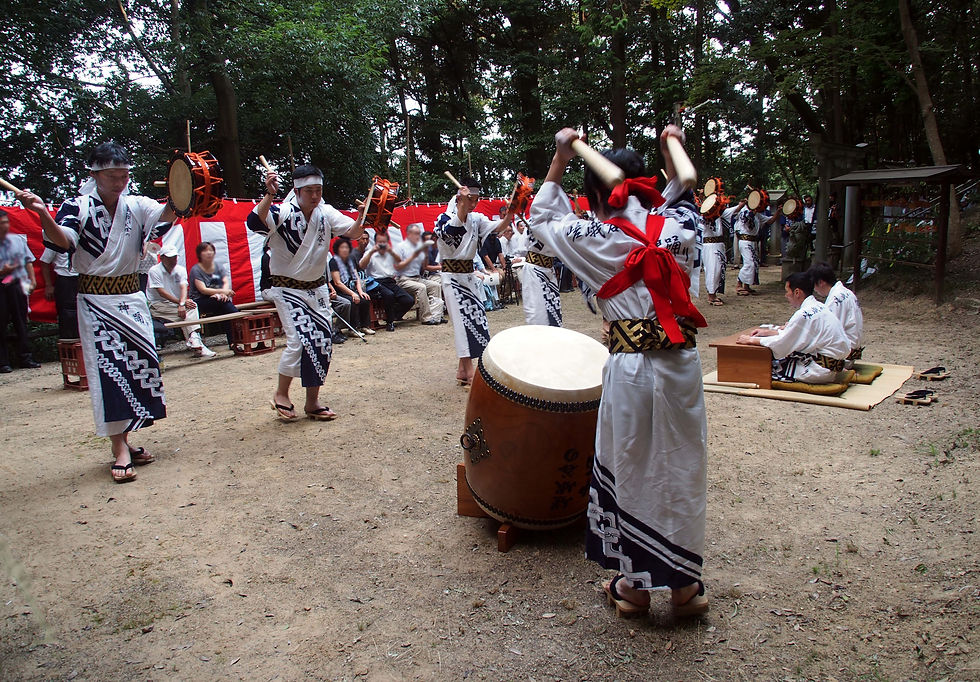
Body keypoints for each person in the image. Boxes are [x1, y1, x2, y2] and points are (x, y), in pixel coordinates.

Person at [529, 126, 709, 619]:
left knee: (629, 464)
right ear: (646, 183)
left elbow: (540, 217)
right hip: (681, 365)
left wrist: (561, 156)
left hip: (630, 367)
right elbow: (680, 189)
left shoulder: (595, 237)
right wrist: (673, 141)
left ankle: (633, 588)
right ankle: (686, 588)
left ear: (592, 194)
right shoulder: (681, 225)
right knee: (681, 465)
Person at [15, 141, 178, 482]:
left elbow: (167, 214)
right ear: (95, 175)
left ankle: (128, 440)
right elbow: (62, 241)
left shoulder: (136, 204)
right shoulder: (77, 206)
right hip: (96, 300)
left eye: (124, 175)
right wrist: (43, 213)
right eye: (112, 176)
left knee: (140, 368)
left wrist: (183, 187)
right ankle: (119, 447)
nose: (120, 182)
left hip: (132, 298)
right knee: (110, 370)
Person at [247, 164, 364, 421]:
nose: (315, 196)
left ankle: (312, 401)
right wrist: (268, 195)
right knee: (299, 340)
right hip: (286, 288)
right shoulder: (284, 210)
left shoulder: (326, 212)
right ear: (297, 190)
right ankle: (281, 393)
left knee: (322, 342)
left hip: (317, 288)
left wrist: (362, 216)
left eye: (319, 190)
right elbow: (255, 222)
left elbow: (354, 232)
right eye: (309, 190)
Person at [434, 177, 516, 385]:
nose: (474, 204)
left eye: (476, 199)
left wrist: (513, 210)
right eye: (471, 199)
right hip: (451, 277)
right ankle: (470, 371)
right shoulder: (443, 218)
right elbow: (452, 232)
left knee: (477, 319)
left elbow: (498, 227)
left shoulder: (477, 219)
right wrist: (462, 205)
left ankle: (463, 370)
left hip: (469, 276)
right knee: (462, 323)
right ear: (460, 198)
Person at [736, 271, 850, 383]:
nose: (786, 296)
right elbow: (796, 335)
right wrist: (769, 333)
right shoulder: (820, 307)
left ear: (797, 292)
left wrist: (752, 340)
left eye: (787, 291)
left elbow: (783, 344)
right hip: (832, 364)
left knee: (763, 366)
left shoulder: (804, 313)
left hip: (819, 369)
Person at [146, 246, 216, 358]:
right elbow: (161, 292)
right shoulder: (154, 271)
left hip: (175, 303)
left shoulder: (180, 269)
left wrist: (182, 303)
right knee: (186, 315)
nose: (173, 260)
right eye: (170, 258)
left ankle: (195, 342)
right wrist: (181, 303)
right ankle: (197, 343)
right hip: (158, 304)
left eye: (174, 257)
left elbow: (184, 287)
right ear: (162, 258)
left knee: (191, 307)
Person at [0, 209, 41, 372]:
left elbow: (28, 261)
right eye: (2, 223)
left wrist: (33, 280)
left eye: (6, 222)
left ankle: (26, 357)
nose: (5, 226)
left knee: (21, 321)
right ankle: (3, 362)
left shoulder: (17, 240)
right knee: (1, 323)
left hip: (16, 284)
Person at [359, 231, 414, 331]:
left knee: (409, 300)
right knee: (389, 295)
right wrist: (371, 252)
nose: (382, 245)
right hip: (375, 282)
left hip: (390, 281)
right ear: (375, 242)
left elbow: (400, 262)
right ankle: (390, 322)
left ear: (388, 242)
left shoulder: (391, 252)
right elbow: (362, 266)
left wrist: (391, 252)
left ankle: (393, 316)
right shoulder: (370, 252)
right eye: (379, 242)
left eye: (384, 242)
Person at [188, 241, 239, 349]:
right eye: (205, 251)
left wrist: (222, 293)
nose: (209, 253)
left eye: (211, 250)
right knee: (225, 305)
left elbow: (224, 283)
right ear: (199, 254)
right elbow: (203, 290)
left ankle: (234, 341)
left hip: (216, 299)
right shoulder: (196, 269)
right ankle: (234, 339)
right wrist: (223, 293)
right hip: (199, 300)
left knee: (226, 306)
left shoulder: (217, 267)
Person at [809, 262, 864, 362]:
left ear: (821, 282)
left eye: (814, 285)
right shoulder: (847, 292)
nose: (814, 289)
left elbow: (828, 332)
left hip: (842, 357)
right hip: (850, 349)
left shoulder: (835, 299)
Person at [395, 223, 444, 325]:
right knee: (421, 288)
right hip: (403, 279)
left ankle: (436, 315)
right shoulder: (400, 247)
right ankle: (426, 318)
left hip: (417, 278)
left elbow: (424, 266)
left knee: (436, 286)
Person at [329, 237, 375, 336]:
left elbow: (356, 277)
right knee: (352, 301)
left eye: (346, 247)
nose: (345, 250)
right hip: (340, 291)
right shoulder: (334, 262)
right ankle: (352, 328)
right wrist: (353, 294)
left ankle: (364, 326)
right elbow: (337, 282)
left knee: (364, 298)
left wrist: (360, 292)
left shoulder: (350, 260)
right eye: (342, 248)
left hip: (351, 288)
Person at [519, 230, 562, 327]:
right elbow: (522, 250)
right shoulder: (533, 224)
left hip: (549, 270)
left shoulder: (555, 222)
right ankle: (539, 339)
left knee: (553, 310)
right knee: (536, 313)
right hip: (534, 270)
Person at [702, 200, 741, 306]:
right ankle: (711, 295)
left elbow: (735, 209)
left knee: (718, 269)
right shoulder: (703, 214)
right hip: (709, 245)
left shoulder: (720, 214)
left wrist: (743, 203)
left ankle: (713, 293)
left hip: (718, 244)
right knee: (712, 269)